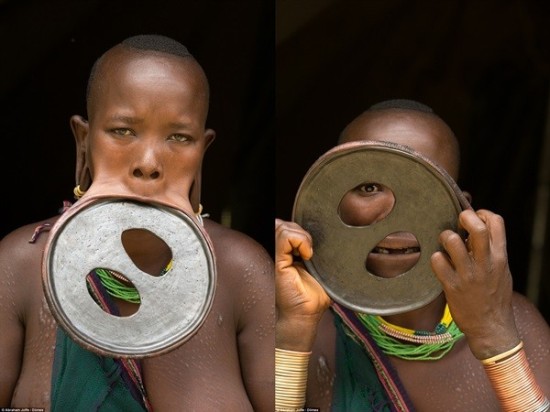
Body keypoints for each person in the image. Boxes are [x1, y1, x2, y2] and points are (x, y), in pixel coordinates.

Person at [0, 34, 274, 411]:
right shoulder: (20, 264)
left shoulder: (242, 271)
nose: (148, 162)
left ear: (203, 151)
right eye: (122, 131)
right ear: (84, 139)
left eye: (179, 137)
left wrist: (296, 330)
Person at [275, 99, 550, 411]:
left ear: (461, 211)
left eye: (421, 190)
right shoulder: (305, 322)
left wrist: (493, 332)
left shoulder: (515, 322)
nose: (394, 216)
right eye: (368, 187)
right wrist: (294, 334)